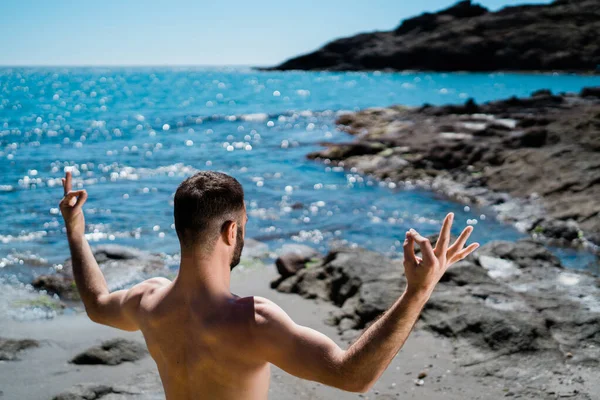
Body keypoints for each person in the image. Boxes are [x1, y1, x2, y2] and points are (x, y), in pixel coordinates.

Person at [59, 170, 479, 400]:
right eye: (243, 226)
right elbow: (352, 377)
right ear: (230, 232)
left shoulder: (147, 299)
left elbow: (97, 304)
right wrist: (418, 290)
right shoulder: (252, 320)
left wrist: (76, 233)